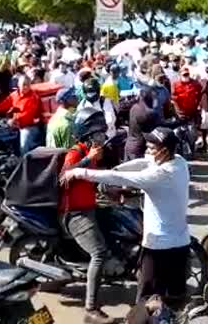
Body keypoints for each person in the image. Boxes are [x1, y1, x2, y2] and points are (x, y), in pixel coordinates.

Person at [62, 126, 190, 308]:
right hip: (181, 244)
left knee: (145, 302)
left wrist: (80, 172)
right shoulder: (179, 162)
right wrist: (116, 168)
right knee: (176, 299)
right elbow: (143, 162)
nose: (148, 151)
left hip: (158, 247)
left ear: (163, 151)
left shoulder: (159, 175)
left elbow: (121, 179)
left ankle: (91, 307)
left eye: (152, 148)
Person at [57, 108, 113, 324]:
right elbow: (63, 178)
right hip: (74, 213)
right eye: (97, 135)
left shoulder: (93, 153)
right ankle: (90, 309)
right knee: (99, 253)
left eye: (102, 134)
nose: (101, 138)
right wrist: (86, 159)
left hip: (89, 206)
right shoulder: (77, 152)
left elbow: (92, 180)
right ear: (87, 136)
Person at [125, 86, 160, 161]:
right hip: (140, 150)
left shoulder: (134, 107)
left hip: (129, 146)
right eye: (154, 97)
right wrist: (179, 122)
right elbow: (159, 129)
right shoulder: (150, 113)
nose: (155, 99)